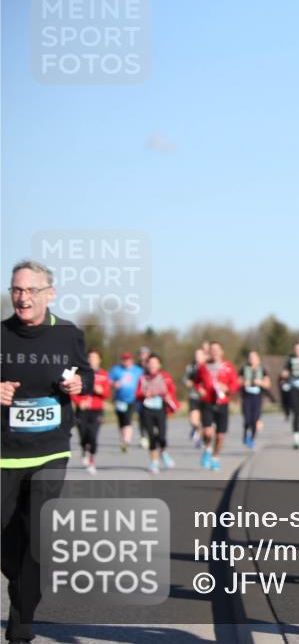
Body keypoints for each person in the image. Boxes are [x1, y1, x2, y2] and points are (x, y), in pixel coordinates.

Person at [2, 259, 92, 643]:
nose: (23, 298)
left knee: (38, 535)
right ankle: (21, 580)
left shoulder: (68, 334)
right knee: (9, 540)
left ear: (49, 294)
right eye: (16, 290)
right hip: (4, 452)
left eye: (31, 291)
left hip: (50, 450)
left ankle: (20, 626)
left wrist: (79, 385)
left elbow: (85, 372)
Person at [195, 341, 239, 471]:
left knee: (220, 435)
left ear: (221, 352)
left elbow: (235, 385)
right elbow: (196, 381)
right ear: (209, 352)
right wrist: (199, 389)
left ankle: (215, 457)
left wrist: (227, 388)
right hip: (207, 402)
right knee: (207, 432)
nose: (214, 352)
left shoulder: (228, 367)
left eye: (217, 349)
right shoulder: (203, 367)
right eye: (212, 350)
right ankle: (207, 448)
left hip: (222, 403)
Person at [135, 353, 179, 473]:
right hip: (147, 410)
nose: (153, 365)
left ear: (160, 364)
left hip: (160, 409)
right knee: (151, 436)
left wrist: (165, 395)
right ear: (147, 364)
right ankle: (154, 462)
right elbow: (137, 393)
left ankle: (163, 453)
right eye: (150, 363)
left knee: (162, 436)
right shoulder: (142, 377)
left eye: (155, 363)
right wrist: (145, 394)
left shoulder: (165, 377)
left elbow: (172, 392)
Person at [71, 349, 111, 475]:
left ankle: (92, 461)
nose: (92, 360)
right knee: (83, 434)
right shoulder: (79, 372)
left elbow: (107, 394)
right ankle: (84, 448)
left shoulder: (104, 374)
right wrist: (79, 402)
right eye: (90, 357)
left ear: (99, 360)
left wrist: (100, 391)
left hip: (96, 410)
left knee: (93, 435)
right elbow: (72, 390)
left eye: (95, 357)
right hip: (82, 409)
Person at [108, 351, 143, 452]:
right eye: (124, 360)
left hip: (132, 399)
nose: (126, 362)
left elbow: (144, 380)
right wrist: (114, 384)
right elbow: (108, 380)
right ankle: (123, 439)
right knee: (121, 421)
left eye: (128, 360)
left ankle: (126, 441)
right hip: (119, 399)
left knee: (128, 420)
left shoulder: (138, 370)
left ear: (131, 360)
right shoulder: (116, 370)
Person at [239, 350, 271, 449]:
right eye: (250, 357)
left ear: (258, 359)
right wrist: (244, 383)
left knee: (255, 420)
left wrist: (260, 382)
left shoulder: (262, 370)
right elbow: (237, 381)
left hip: (257, 397)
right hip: (246, 396)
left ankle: (251, 439)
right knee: (247, 418)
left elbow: (268, 384)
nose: (252, 359)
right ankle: (245, 434)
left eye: (254, 357)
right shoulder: (243, 369)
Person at [184, 347, 208, 445]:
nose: (197, 357)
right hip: (194, 395)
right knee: (193, 419)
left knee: (204, 421)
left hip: (205, 397)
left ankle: (200, 438)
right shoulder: (191, 367)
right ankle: (195, 429)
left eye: (199, 355)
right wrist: (187, 382)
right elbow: (186, 379)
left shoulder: (208, 367)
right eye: (196, 355)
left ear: (204, 356)